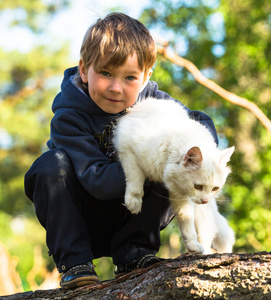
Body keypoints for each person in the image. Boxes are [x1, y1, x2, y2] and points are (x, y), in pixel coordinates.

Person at [24, 12, 218, 290]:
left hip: (137, 217)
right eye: (105, 74)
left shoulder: (155, 103)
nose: (116, 88)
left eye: (129, 77)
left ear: (146, 76)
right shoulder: (69, 117)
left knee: (173, 157)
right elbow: (98, 181)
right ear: (83, 70)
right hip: (82, 215)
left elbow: (202, 122)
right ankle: (75, 264)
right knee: (49, 165)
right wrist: (149, 157)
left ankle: (135, 253)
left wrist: (194, 156)